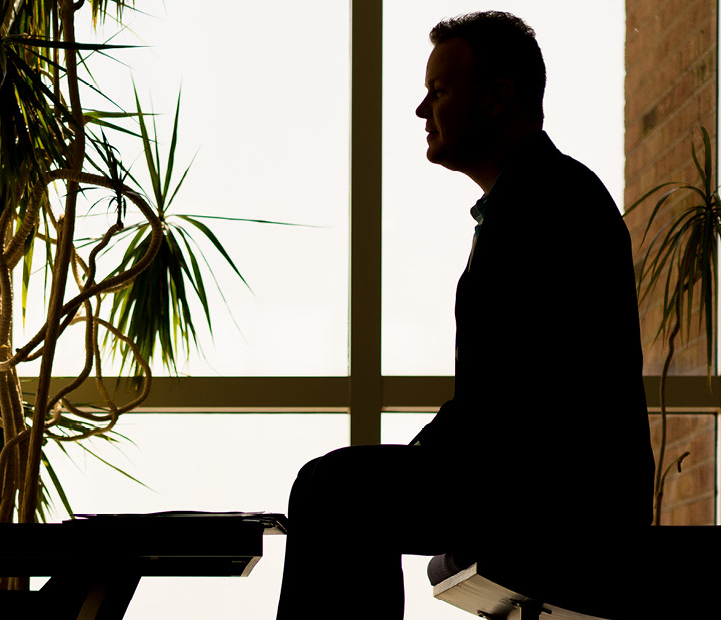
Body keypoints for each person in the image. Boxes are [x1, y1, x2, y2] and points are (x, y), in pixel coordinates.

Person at [275, 12, 654, 619]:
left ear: (499, 97)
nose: (422, 111)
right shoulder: (545, 196)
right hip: (550, 482)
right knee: (340, 489)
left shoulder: (546, 205)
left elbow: (516, 399)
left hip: (553, 493)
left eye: (440, 91)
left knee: (334, 492)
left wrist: (427, 456)